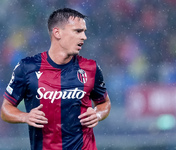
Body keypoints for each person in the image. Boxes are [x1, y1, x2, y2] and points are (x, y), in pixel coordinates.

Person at [1, 8, 111, 150]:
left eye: (84, 31)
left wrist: (98, 114)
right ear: (57, 32)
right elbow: (6, 110)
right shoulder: (27, 68)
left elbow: (104, 103)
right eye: (78, 31)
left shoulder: (91, 68)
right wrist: (25, 117)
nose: (84, 37)